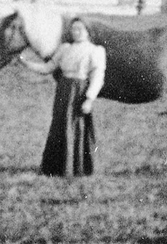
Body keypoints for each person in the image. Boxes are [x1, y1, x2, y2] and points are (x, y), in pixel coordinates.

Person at [24, 17, 106, 176]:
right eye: (74, 29)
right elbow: (48, 67)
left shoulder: (94, 50)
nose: (76, 32)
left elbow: (97, 76)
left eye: (80, 29)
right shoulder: (65, 48)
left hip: (80, 90)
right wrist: (27, 63)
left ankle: (78, 167)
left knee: (77, 125)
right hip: (63, 89)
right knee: (60, 124)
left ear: (88, 31)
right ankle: (56, 167)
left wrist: (89, 99)